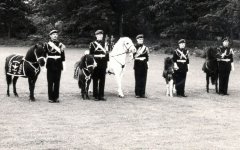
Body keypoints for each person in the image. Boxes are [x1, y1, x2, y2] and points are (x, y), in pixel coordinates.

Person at [44, 30, 66, 103]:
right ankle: (50, 98)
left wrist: (63, 65)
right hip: (50, 64)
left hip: (58, 64)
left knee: (57, 82)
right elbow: (44, 55)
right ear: (50, 36)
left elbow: (63, 57)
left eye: (56, 34)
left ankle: (56, 97)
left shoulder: (61, 44)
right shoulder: (47, 44)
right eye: (53, 34)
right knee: (50, 82)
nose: (55, 35)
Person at [89, 30, 109, 101]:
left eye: (101, 35)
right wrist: (93, 62)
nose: (100, 36)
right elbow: (91, 55)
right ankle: (95, 95)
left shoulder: (106, 44)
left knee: (102, 80)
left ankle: (101, 95)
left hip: (103, 63)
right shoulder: (92, 44)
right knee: (95, 79)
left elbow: (107, 55)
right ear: (96, 36)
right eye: (99, 35)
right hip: (96, 63)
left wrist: (107, 65)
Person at [133, 34, 149, 98]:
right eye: (140, 39)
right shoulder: (134, 47)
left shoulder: (145, 48)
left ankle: (142, 93)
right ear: (137, 40)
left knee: (144, 79)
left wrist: (146, 63)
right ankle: (137, 93)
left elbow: (147, 57)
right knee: (138, 79)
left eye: (142, 39)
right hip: (137, 64)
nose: (141, 40)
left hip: (144, 64)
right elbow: (133, 56)